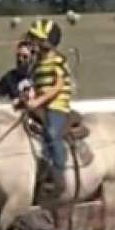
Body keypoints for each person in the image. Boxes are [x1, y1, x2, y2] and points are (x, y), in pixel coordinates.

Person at [22, 19, 73, 197]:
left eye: (36, 38)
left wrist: (38, 101)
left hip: (56, 105)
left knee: (51, 132)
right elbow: (35, 85)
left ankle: (59, 174)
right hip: (41, 104)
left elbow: (57, 86)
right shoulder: (36, 63)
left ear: (47, 41)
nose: (32, 42)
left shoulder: (58, 59)